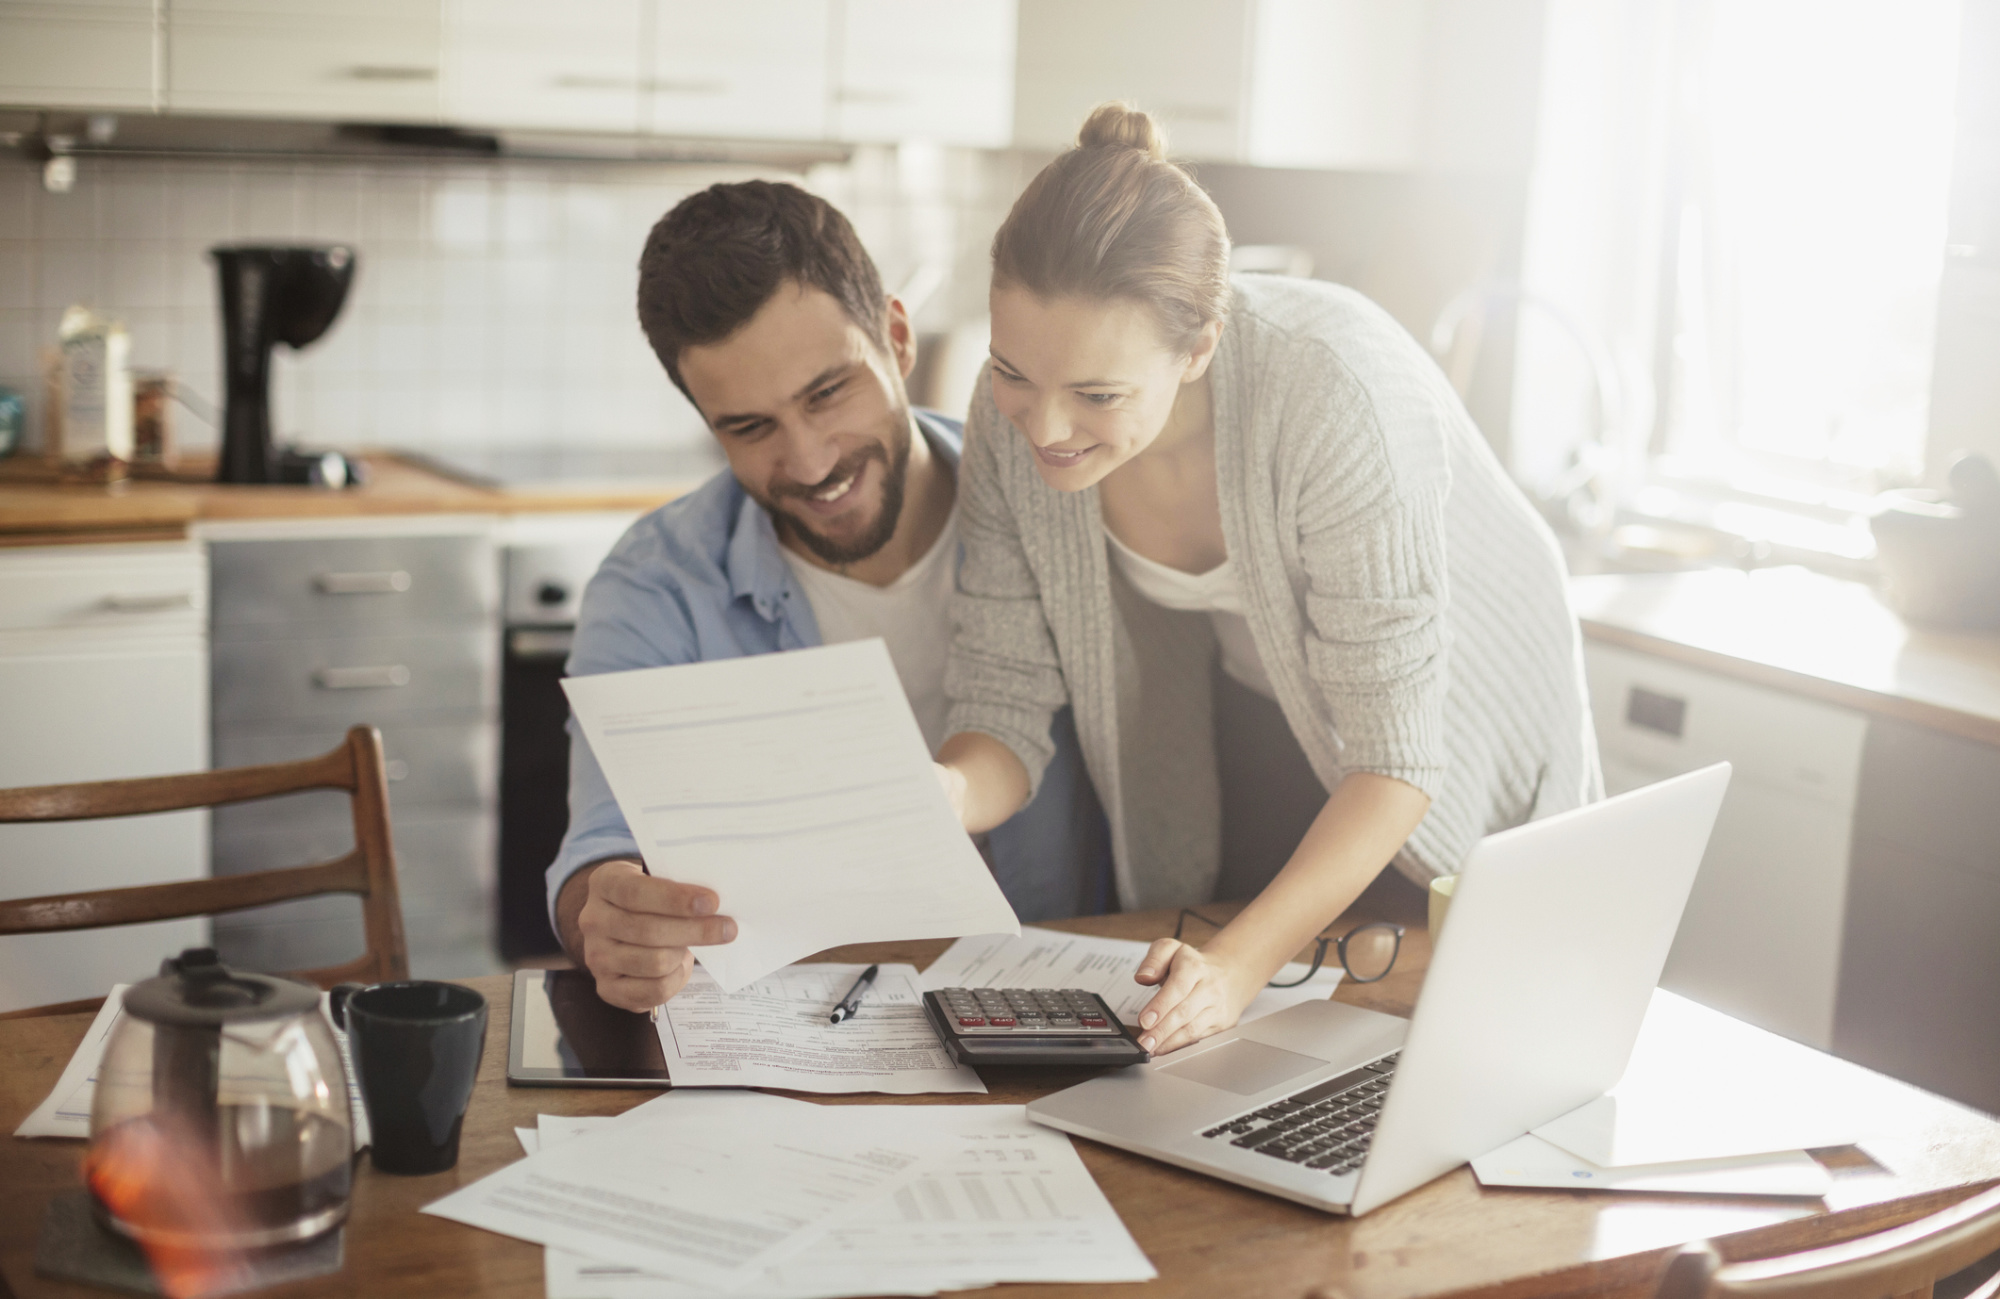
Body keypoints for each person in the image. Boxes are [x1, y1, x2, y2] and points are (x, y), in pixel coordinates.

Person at [935, 104, 1600, 1057]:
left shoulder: (1336, 394)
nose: (1041, 428)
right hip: (1265, 688)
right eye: (1012, 373)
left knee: (1441, 1010)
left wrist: (1238, 967)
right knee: (1248, 1022)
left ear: (1199, 346)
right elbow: (1000, 702)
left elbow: (1396, 760)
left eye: (1098, 395)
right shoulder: (1012, 421)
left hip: (1456, 711)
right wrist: (942, 793)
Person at [550, 180, 1107, 1013]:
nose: (810, 462)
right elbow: (600, 852)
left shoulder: (1056, 505)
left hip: (1066, 1009)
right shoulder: (656, 584)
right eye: (749, 427)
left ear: (897, 334)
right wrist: (613, 916)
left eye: (827, 393)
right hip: (798, 1031)